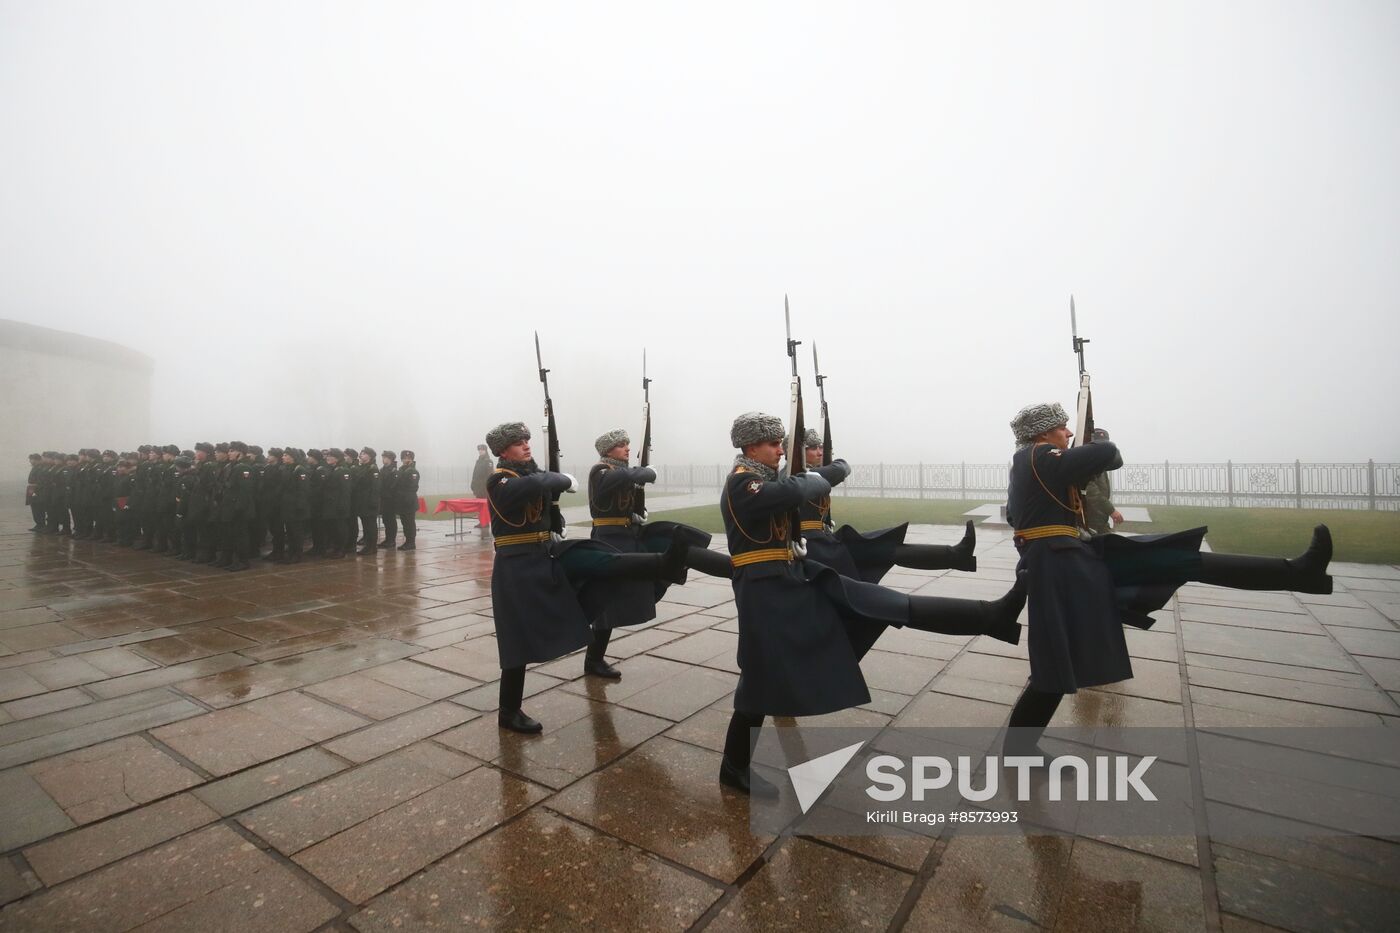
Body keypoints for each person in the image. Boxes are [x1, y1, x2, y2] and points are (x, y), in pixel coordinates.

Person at [715, 413, 1026, 796]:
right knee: (758, 679)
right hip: (765, 592)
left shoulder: (766, 480)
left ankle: (990, 616)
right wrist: (819, 472)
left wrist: (815, 471)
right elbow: (799, 489)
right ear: (750, 447)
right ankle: (734, 766)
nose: (781, 450)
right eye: (773, 444)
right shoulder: (742, 482)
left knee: (883, 603)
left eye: (782, 442)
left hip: (794, 578)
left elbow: (798, 488)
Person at [1001, 403, 1333, 757]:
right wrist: (1094, 438)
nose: (1068, 433)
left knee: (1180, 560)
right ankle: (1019, 751)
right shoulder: (1038, 456)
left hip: (1070, 559)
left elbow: (1019, 517)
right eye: (1062, 427)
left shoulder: (1031, 465)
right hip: (1059, 566)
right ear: (1043, 433)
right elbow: (1109, 454)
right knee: (1053, 663)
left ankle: (1298, 573)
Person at [485, 422, 695, 734]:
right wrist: (560, 479)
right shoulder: (499, 479)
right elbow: (536, 484)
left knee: (599, 561)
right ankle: (508, 710)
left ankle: (662, 563)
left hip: (544, 554)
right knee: (516, 639)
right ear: (503, 451)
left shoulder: (530, 476)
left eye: (527, 440)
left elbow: (542, 490)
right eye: (519, 442)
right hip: (516, 566)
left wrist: (554, 519)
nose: (527, 445)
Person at [1081, 427, 1122, 535]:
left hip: (1100, 520)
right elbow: (1092, 493)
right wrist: (1111, 510)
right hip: (1089, 521)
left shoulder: (1100, 464)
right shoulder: (1087, 465)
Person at [280, 448, 310, 563]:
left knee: (296, 532)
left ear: (292, 457)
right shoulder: (288, 468)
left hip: (296, 507)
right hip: (288, 506)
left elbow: (303, 490)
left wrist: (300, 506)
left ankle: (297, 554)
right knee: (290, 531)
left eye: (285, 455)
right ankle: (291, 553)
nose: (283, 457)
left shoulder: (300, 469)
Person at [354, 447, 381, 555]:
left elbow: (375, 487)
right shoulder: (363, 467)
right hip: (363, 501)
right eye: (361, 453)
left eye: (364, 453)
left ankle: (372, 547)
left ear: (370, 456)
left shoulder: (373, 469)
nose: (361, 455)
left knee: (370, 525)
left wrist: (373, 501)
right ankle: (368, 545)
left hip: (369, 502)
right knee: (366, 524)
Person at [396, 450, 419, 551]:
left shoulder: (413, 471)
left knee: (409, 523)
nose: (406, 460)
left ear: (412, 459)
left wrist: (406, 499)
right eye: (404, 458)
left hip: (409, 501)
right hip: (402, 501)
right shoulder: (401, 470)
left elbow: (413, 487)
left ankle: (411, 542)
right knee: (405, 523)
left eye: (408, 458)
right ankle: (408, 541)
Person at [378, 449, 399, 549]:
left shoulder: (394, 471)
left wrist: (385, 493)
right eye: (383, 457)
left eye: (385, 457)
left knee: (391, 520)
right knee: (386, 520)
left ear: (390, 459)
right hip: (384, 499)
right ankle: (388, 539)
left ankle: (391, 540)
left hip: (390, 499)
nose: (383, 459)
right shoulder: (383, 469)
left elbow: (393, 486)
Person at [26, 453, 44, 531]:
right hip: (32, 489)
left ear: (37, 460)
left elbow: (41, 480)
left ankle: (41, 524)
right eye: (30, 459)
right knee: (34, 508)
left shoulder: (41, 468)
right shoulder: (35, 467)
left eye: (32, 459)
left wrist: (36, 486)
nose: (31, 461)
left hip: (38, 490)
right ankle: (38, 524)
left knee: (39, 508)